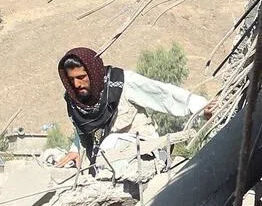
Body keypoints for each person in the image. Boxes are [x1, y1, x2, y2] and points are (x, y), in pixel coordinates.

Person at [56, 46, 212, 170]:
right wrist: (75, 150)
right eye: (71, 79)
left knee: (110, 143)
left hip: (142, 153)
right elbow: (84, 130)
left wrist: (200, 106)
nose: (76, 84)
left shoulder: (122, 83)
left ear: (93, 72)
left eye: (81, 77)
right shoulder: (75, 100)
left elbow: (163, 93)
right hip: (103, 161)